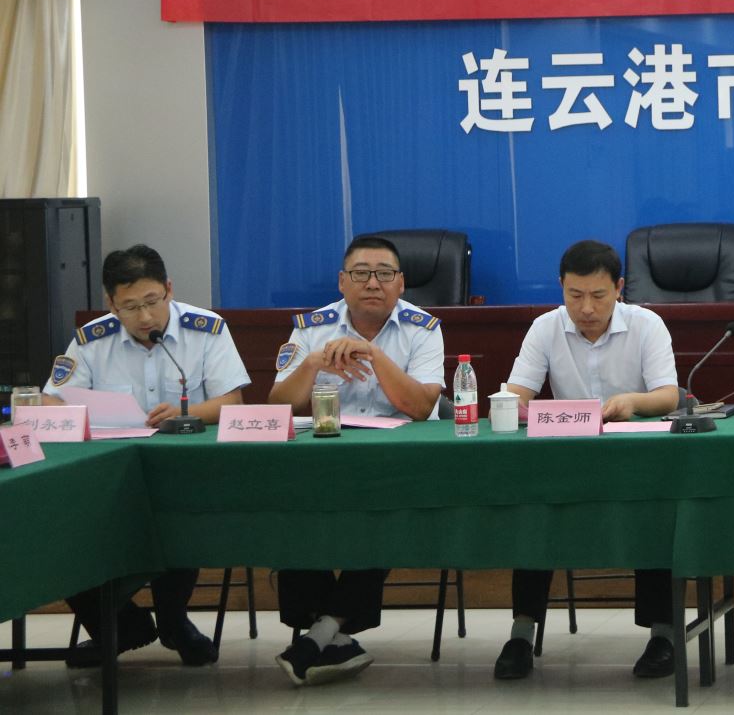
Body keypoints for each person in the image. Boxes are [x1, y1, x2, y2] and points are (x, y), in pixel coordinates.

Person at [44, 243, 249, 668]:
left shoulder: (206, 330)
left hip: (183, 474)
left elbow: (232, 401)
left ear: (169, 289)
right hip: (108, 477)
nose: (145, 317)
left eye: (152, 301)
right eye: (130, 307)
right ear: (111, 303)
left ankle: (173, 620)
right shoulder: (92, 340)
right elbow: (52, 403)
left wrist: (188, 413)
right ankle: (119, 624)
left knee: (179, 510)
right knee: (59, 521)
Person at [493, 240, 682, 683]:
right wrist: (510, 403)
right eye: (574, 295)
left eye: (598, 295)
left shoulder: (647, 325)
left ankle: (663, 635)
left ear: (619, 288)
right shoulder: (545, 327)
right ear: (561, 286)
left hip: (638, 457)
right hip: (569, 460)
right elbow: (516, 394)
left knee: (658, 508)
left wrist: (632, 401)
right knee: (534, 509)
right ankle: (521, 634)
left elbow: (668, 395)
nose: (586, 308)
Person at [267, 234, 444, 686]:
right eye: (361, 273)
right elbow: (278, 407)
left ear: (401, 283)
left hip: (395, 464)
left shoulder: (423, 328)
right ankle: (335, 637)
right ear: (342, 282)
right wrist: (312, 365)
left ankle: (320, 634)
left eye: (384, 274)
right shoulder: (312, 328)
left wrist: (375, 355)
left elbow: (421, 407)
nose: (373, 283)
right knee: (289, 502)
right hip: (322, 463)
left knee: (387, 511)